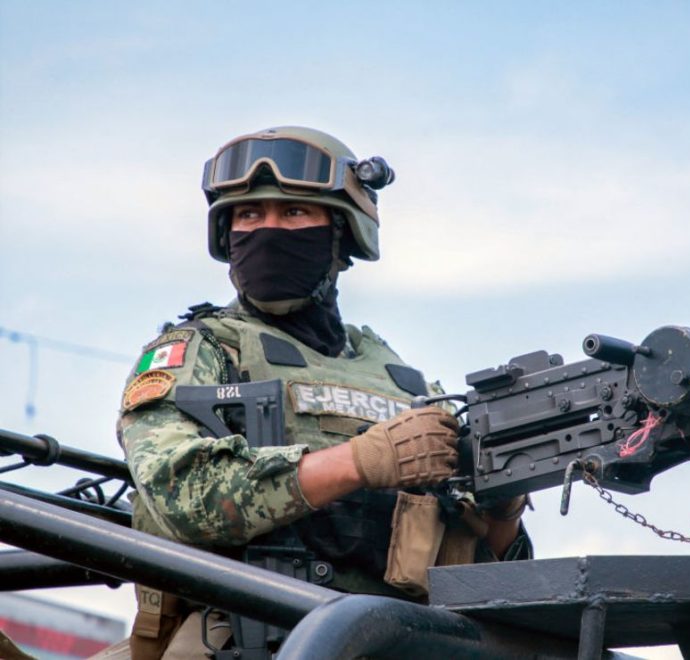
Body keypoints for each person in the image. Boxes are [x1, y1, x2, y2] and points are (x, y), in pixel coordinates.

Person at [110, 126, 531, 659]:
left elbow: (487, 573)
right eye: (248, 215)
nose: (267, 230)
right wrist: (360, 461)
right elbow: (181, 496)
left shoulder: (408, 384)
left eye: (292, 214)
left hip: (402, 639)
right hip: (251, 637)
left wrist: (503, 507)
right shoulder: (200, 350)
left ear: (341, 231)